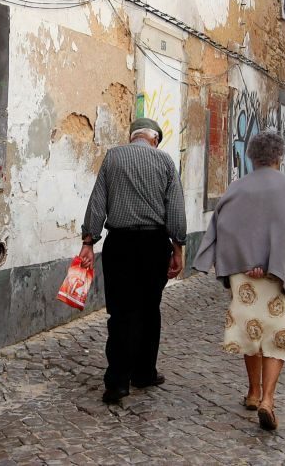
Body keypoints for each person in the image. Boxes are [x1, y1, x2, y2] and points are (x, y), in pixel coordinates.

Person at [192, 130, 285, 431]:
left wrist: (237, 263)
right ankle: (268, 399)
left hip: (245, 277)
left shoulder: (237, 188)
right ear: (280, 157)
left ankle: (253, 393)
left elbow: (222, 226)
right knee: (279, 335)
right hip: (279, 276)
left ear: (251, 157)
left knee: (252, 331)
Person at [79, 117, 186, 404]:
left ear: (132, 137)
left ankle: (117, 382)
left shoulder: (113, 157)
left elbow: (97, 200)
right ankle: (144, 372)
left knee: (121, 311)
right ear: (155, 139)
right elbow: (175, 209)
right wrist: (178, 248)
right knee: (150, 309)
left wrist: (88, 242)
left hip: (120, 245)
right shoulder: (165, 162)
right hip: (153, 244)